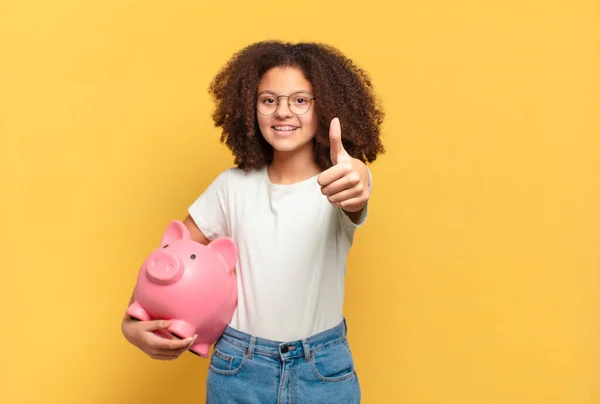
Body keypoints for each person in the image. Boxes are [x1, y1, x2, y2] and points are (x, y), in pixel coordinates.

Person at [121, 40, 385, 403]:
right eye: (269, 100)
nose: (283, 112)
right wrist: (133, 324)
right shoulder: (231, 187)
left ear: (324, 107)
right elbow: (171, 259)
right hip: (240, 368)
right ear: (251, 108)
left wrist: (357, 179)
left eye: (300, 100)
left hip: (322, 370)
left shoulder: (339, 184)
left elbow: (356, 192)